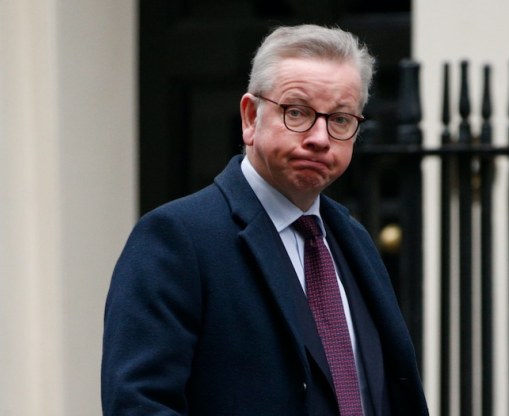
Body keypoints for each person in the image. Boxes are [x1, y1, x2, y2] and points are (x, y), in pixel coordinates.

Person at [101, 24, 429, 416]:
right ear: (250, 117)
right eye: (297, 112)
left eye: (340, 119)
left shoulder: (352, 239)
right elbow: (140, 405)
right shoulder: (176, 238)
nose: (320, 137)